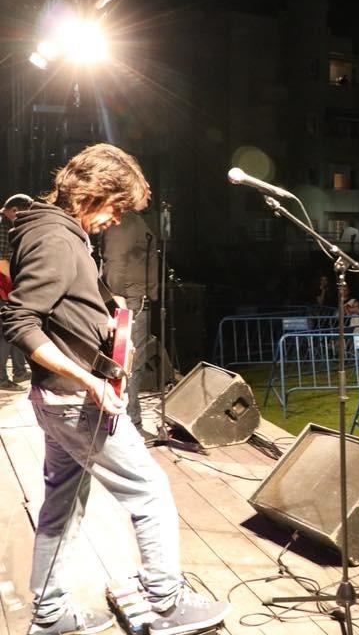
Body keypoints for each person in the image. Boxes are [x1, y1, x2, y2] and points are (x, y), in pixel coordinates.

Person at [1, 144, 230, 635]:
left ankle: (49, 615)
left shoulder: (52, 229)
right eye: (116, 207)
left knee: (62, 505)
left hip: (59, 398)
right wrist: (89, 380)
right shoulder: (55, 240)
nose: (115, 219)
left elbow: (62, 306)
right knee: (149, 492)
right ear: (93, 193)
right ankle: (167, 603)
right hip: (77, 400)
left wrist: (105, 316)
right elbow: (20, 320)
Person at [99, 210, 158, 440]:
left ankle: (128, 421)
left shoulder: (130, 219)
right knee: (130, 361)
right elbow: (114, 259)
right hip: (131, 298)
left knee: (133, 361)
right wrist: (118, 296)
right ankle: (130, 423)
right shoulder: (123, 220)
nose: (150, 192)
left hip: (135, 296)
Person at [0, 194, 31, 390]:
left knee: (13, 328)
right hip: (3, 288)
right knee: (5, 333)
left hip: (5, 288)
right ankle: (1, 378)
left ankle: (19, 371)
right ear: (15, 211)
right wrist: (16, 286)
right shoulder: (3, 225)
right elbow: (2, 262)